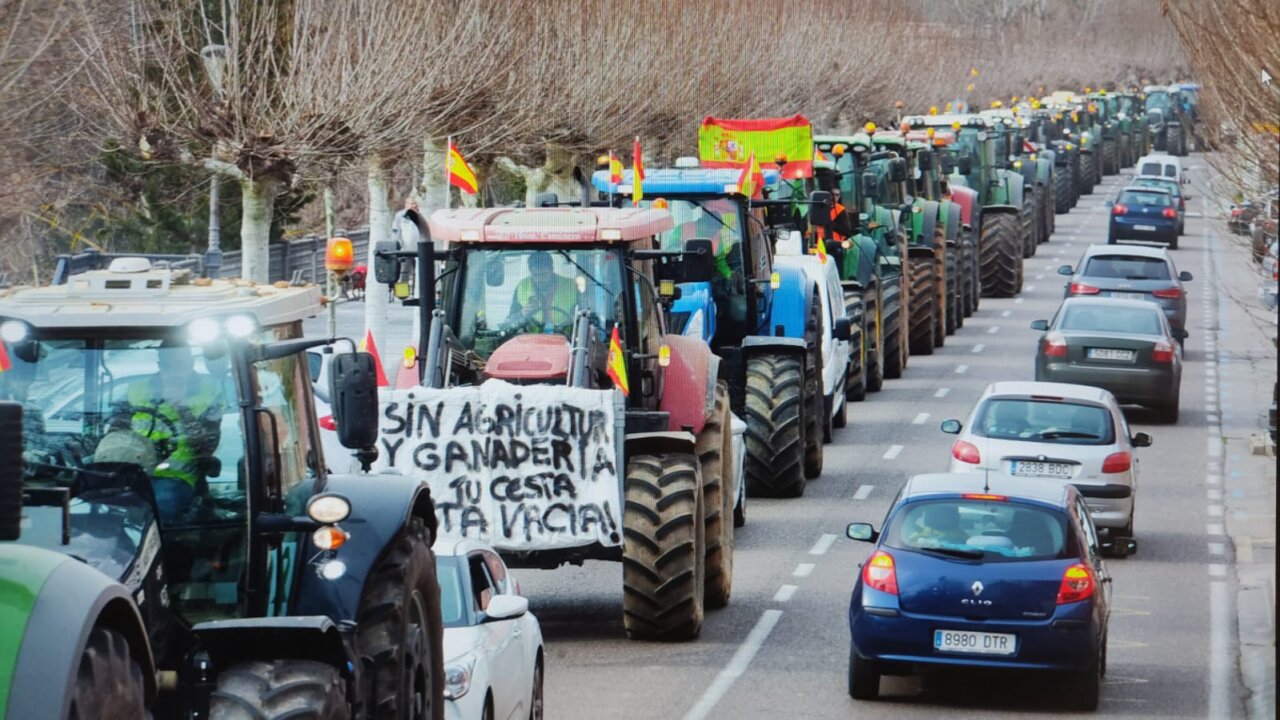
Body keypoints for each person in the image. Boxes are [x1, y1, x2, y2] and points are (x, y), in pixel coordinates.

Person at [122, 341, 227, 516]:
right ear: (159, 365)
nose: (174, 371)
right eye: (167, 365)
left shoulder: (209, 391)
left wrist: (181, 407)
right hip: (134, 472)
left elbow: (207, 447)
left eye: (180, 365)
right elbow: (115, 430)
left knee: (160, 505)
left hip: (178, 476)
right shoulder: (136, 389)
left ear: (191, 363)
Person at [508, 251, 578, 334]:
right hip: (531, 338)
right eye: (535, 275)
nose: (539, 279)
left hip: (564, 337)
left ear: (552, 269)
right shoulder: (522, 287)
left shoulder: (570, 287)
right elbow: (510, 322)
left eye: (544, 274)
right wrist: (522, 313)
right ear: (530, 272)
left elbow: (582, 317)